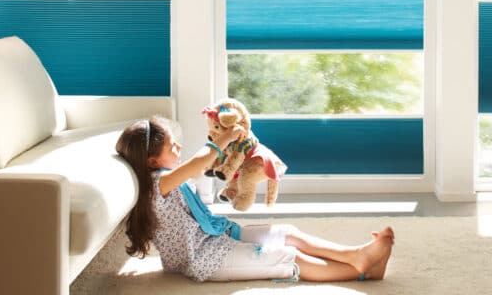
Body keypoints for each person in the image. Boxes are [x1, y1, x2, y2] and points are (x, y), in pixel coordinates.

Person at [115, 116, 394, 283]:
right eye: (171, 146)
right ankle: (364, 273)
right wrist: (224, 138)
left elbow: (204, 168)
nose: (178, 147)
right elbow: (200, 162)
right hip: (204, 258)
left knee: (288, 234)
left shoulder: (165, 176)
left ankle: (355, 256)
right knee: (288, 257)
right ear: (152, 161)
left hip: (217, 235)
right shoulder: (158, 184)